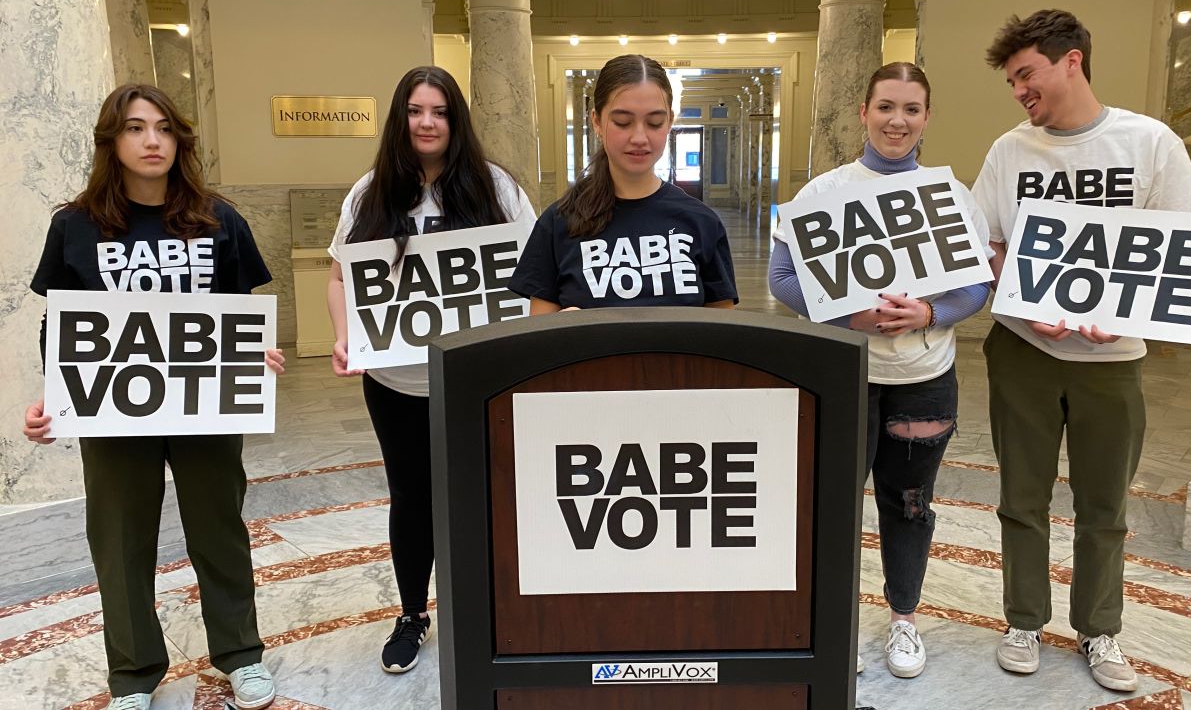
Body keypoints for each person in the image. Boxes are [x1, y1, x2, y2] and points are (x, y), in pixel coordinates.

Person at [21, 84, 283, 710]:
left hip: (205, 407)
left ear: (179, 140)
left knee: (219, 531)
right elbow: (61, 325)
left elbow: (237, 318)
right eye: (136, 128)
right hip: (115, 411)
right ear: (112, 141)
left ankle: (241, 656)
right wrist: (55, 396)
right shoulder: (74, 226)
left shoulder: (221, 220)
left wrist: (255, 354)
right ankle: (133, 675)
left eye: (164, 128)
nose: (151, 140)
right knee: (119, 540)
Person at [976, 9, 1191, 692]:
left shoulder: (1149, 142)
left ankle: (1100, 631)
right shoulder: (1009, 151)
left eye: (1027, 74)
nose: (1020, 90)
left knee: (1104, 506)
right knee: (1021, 497)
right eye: (1013, 80)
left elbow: (1184, 245)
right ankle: (1023, 619)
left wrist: (1129, 312)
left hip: (1113, 361)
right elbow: (987, 245)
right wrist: (1020, 301)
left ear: (1070, 60)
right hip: (1023, 350)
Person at [768, 62, 993, 680]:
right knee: (832, 504)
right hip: (843, 374)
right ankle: (830, 626)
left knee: (910, 505)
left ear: (926, 118)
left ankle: (903, 621)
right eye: (886, 107)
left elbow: (977, 287)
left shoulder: (951, 197)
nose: (898, 120)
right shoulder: (821, 195)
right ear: (864, 112)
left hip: (924, 378)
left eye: (912, 109)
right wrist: (847, 319)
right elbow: (782, 281)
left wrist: (929, 310)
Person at [325, 66, 536, 674]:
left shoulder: (496, 188)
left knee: (485, 495)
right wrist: (345, 335)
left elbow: (529, 273)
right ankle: (413, 613)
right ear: (401, 117)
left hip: (476, 378)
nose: (427, 122)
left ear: (456, 120)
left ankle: (488, 611)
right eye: (416, 111)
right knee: (411, 498)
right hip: (395, 382)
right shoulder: (371, 192)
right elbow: (340, 278)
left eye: (439, 111)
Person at [508, 54, 737, 312]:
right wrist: (562, 328)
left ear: (670, 122)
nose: (639, 137)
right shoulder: (558, 222)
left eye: (654, 122)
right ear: (596, 121)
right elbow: (539, 338)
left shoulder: (701, 221)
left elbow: (722, 335)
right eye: (622, 122)